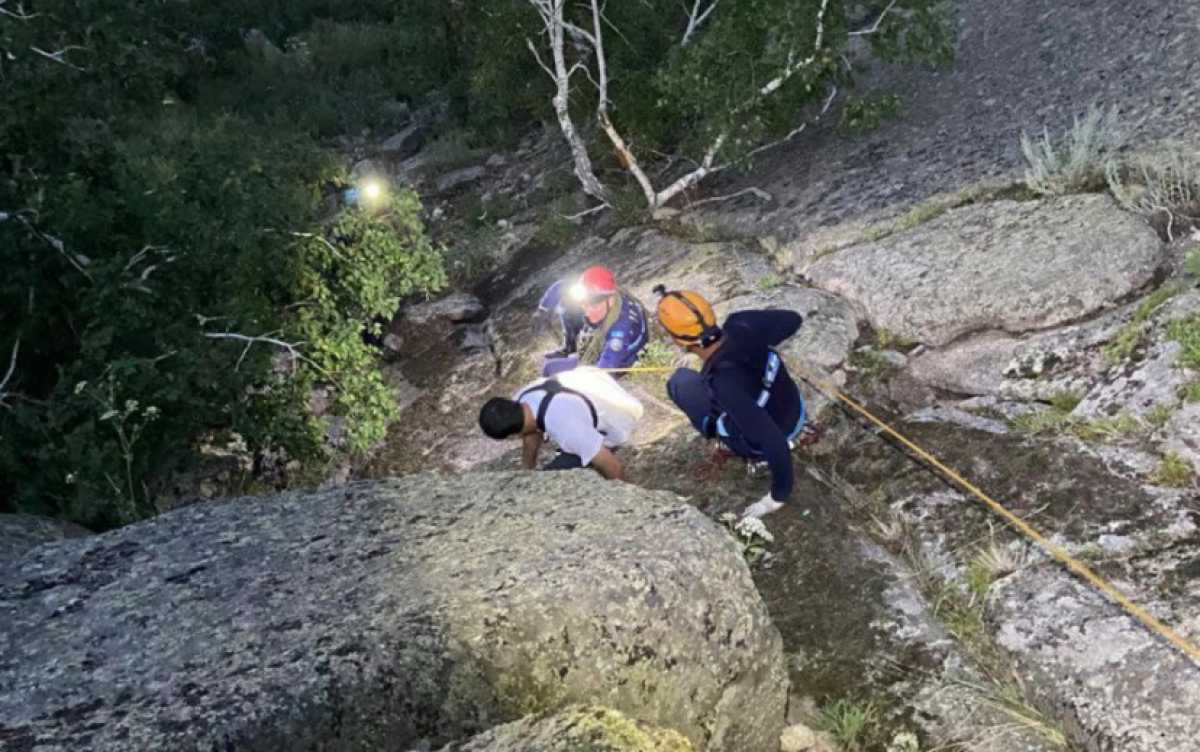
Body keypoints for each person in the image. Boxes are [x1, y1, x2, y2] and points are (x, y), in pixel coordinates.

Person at [653, 284, 807, 519]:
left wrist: (776, 498)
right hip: (793, 406)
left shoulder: (723, 383)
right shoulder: (742, 323)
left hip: (778, 432)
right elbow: (792, 320)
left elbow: (772, 440)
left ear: (679, 341)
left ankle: (738, 448)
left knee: (680, 383)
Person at [478, 366, 644, 480]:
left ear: (515, 434)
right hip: (599, 387)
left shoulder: (567, 429)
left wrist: (629, 502)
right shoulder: (522, 398)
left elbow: (609, 464)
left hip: (618, 419)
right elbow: (531, 433)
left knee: (556, 475)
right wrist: (527, 473)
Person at [537, 266, 648, 377]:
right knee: (567, 308)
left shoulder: (620, 331)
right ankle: (570, 348)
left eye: (594, 306)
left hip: (621, 361)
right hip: (603, 346)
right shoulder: (611, 296)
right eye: (584, 305)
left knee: (552, 369)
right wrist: (543, 309)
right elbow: (561, 286)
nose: (587, 313)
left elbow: (605, 369)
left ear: (610, 300)